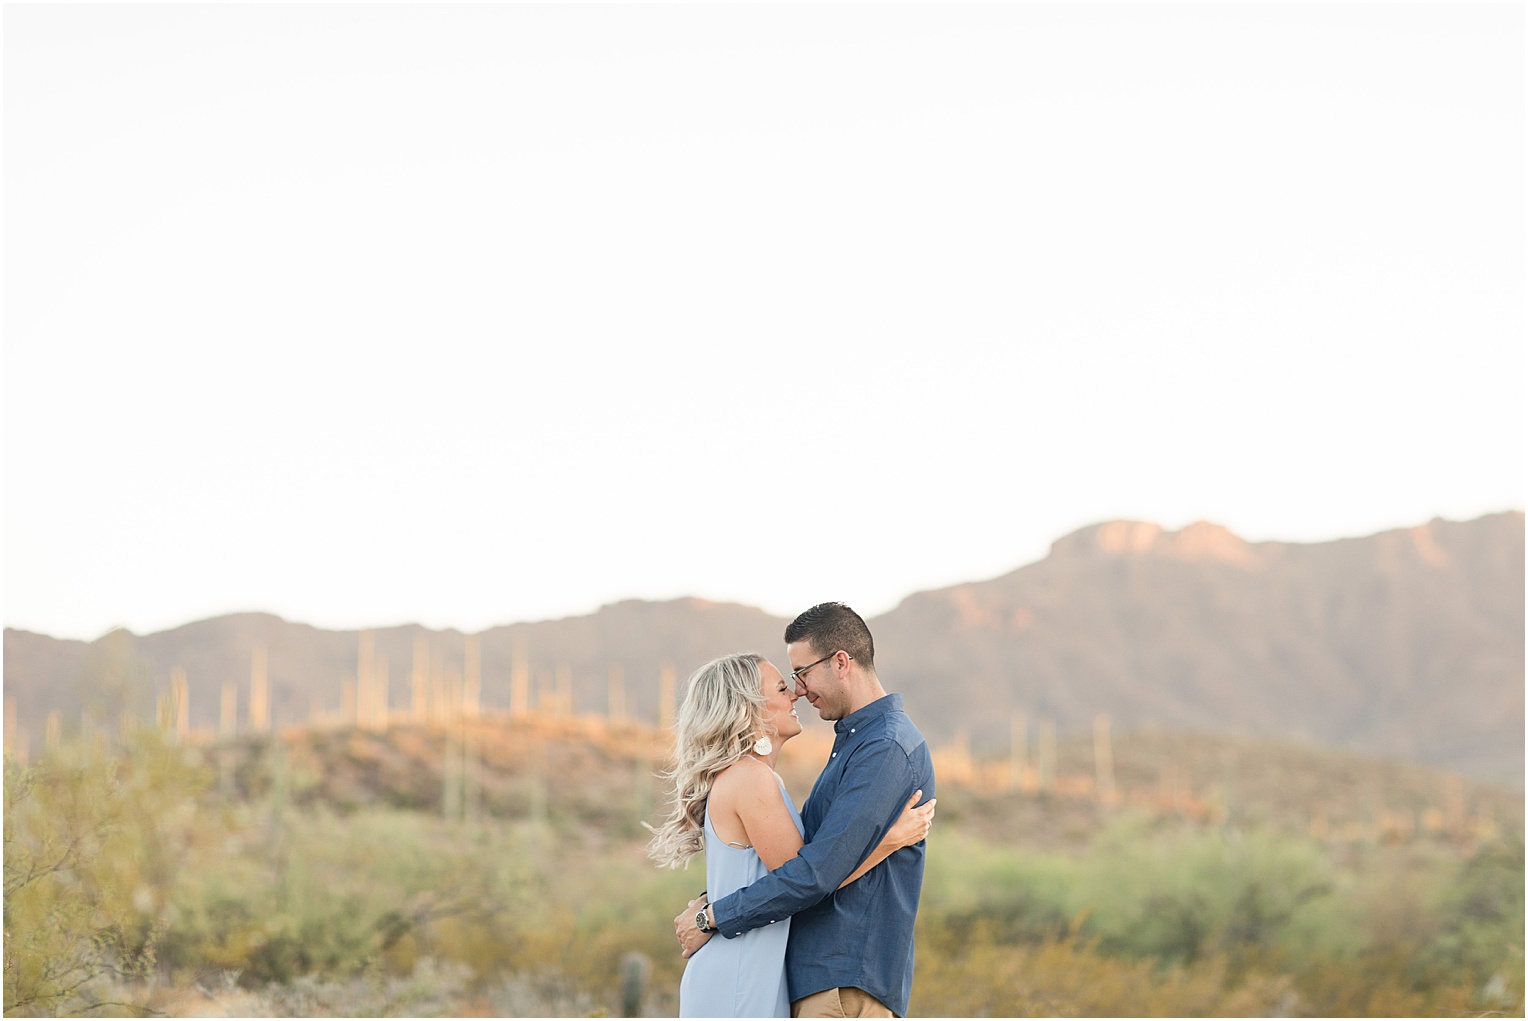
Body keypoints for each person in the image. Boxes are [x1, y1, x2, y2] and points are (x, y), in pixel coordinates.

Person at [674, 603, 937, 1019]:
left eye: (800, 673)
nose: (798, 689)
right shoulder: (762, 775)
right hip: (798, 977)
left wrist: (713, 914)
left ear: (840, 662)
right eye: (785, 684)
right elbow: (805, 872)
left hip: (841, 977)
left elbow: (810, 876)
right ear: (748, 707)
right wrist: (885, 842)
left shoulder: (883, 746)